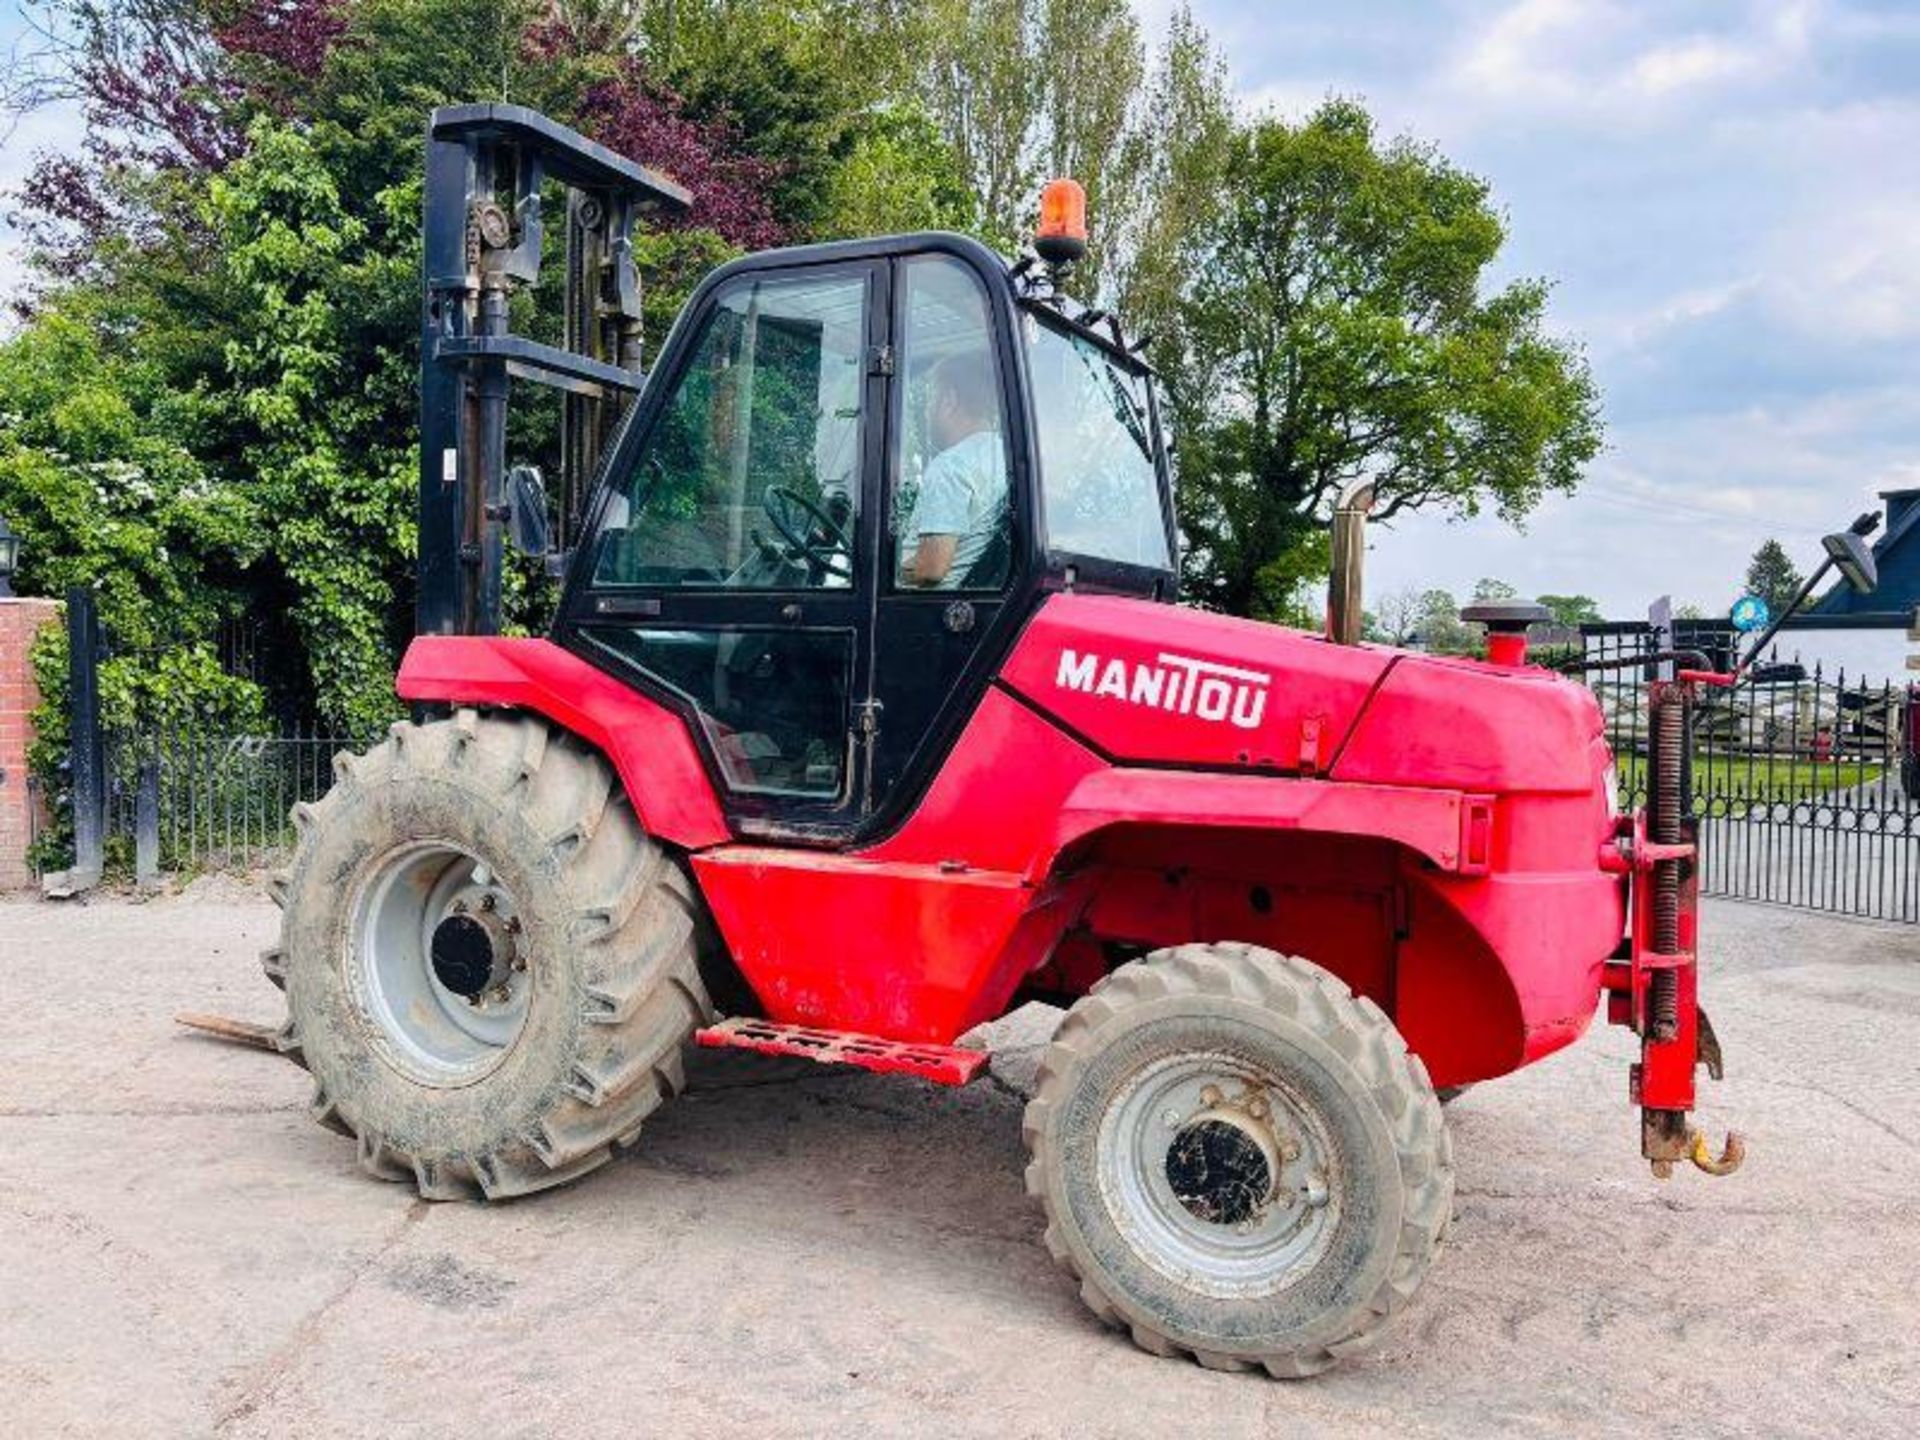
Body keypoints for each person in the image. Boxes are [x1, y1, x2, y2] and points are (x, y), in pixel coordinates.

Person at [898, 353, 1006, 588]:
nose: (927, 412)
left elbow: (931, 570)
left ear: (949, 401)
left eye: (930, 401)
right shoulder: (1004, 458)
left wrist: (878, 571)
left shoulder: (951, 466)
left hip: (920, 611)